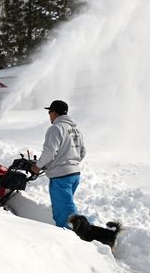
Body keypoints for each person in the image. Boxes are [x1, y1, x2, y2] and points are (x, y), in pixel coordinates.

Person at [30, 100, 120, 248]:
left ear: (55, 112)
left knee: (64, 214)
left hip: (61, 177)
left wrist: (38, 166)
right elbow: (82, 151)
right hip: (74, 175)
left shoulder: (56, 128)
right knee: (66, 207)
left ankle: (71, 244)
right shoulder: (75, 130)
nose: (49, 116)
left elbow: (49, 151)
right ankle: (81, 238)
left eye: (49, 112)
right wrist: (71, 162)